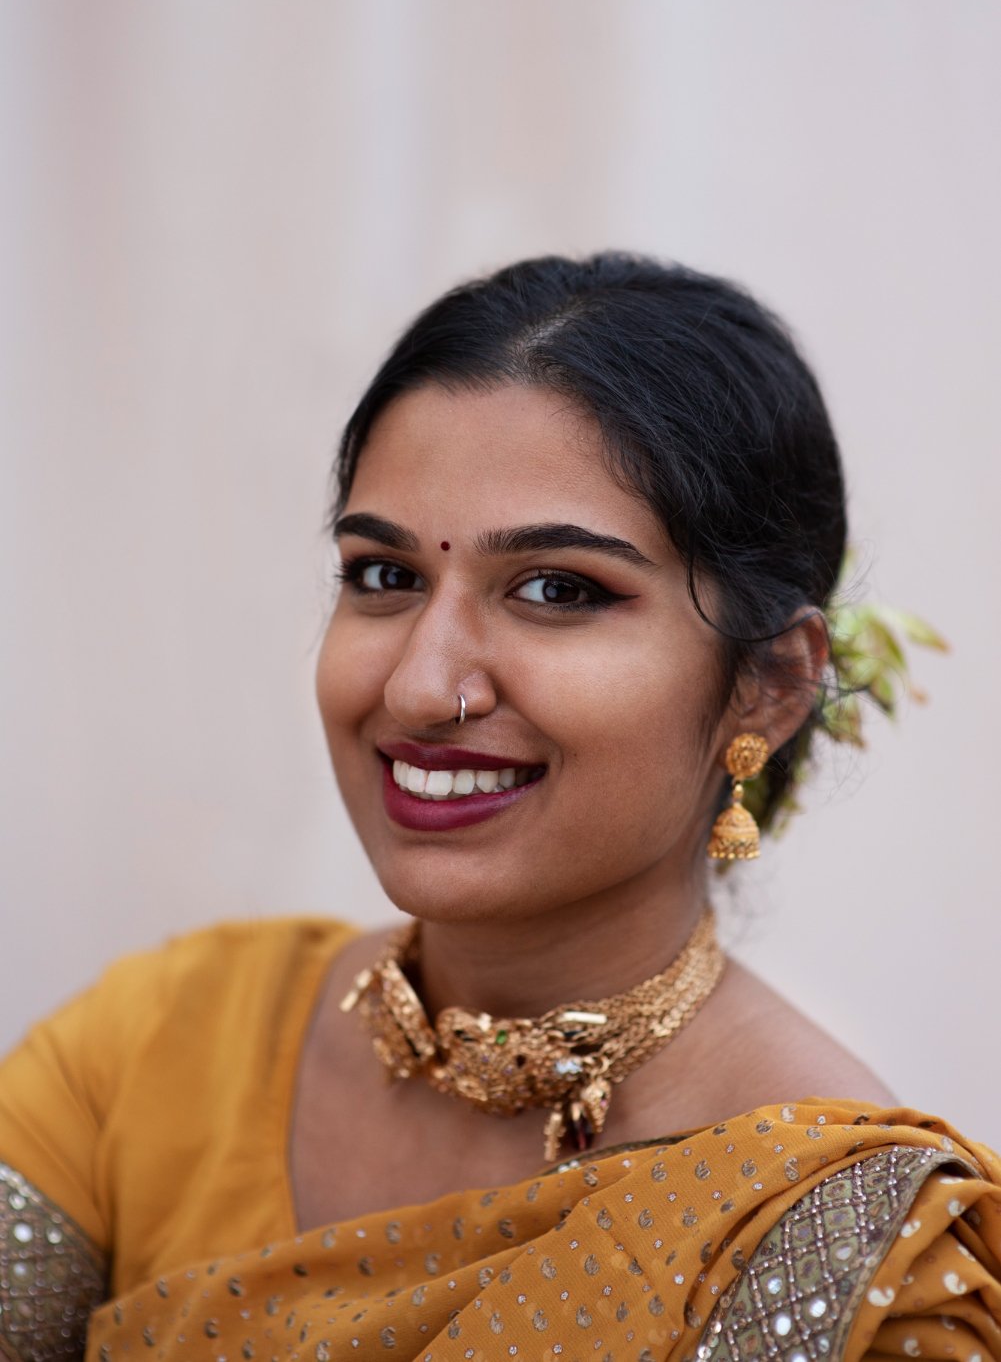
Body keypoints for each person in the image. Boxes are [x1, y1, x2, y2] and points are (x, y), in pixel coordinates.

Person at [1, 253, 998, 1362]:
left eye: (558, 590)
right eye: (383, 575)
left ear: (765, 682)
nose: (421, 688)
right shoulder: (156, 1046)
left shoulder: (831, 1241)